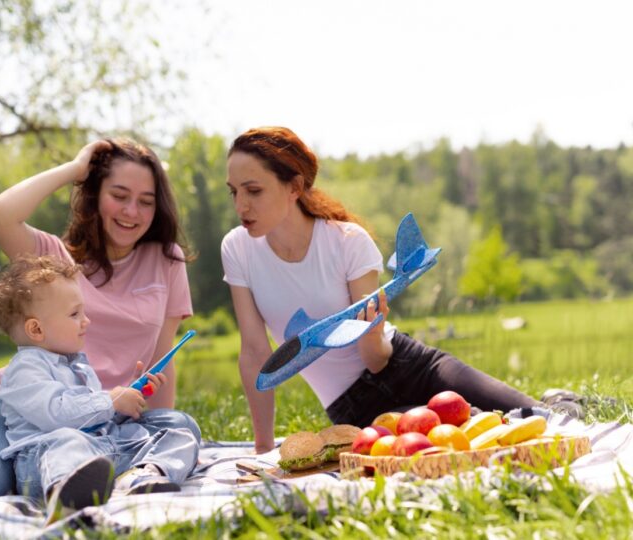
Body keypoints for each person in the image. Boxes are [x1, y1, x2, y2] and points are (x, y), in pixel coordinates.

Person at [221, 126, 542, 454]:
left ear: (295, 186)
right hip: (356, 407)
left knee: (535, 416)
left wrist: (371, 333)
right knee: (468, 438)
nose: (241, 206)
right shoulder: (238, 249)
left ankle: (565, 401)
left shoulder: (347, 241)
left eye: (254, 191)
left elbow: (376, 360)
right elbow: (255, 354)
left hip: (407, 363)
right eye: (234, 192)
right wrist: (262, 448)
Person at [0, 138, 200, 496]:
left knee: (180, 426)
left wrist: (148, 427)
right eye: (120, 195)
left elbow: (162, 357)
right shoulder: (54, 264)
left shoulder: (166, 260)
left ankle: (104, 476)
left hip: (105, 416)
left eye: (146, 201)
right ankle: (41, 470)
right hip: (27, 407)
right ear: (94, 195)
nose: (132, 212)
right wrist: (75, 169)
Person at [0, 255, 198, 520]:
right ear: (36, 329)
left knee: (178, 425)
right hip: (45, 462)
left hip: (102, 449)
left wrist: (130, 398)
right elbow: (57, 414)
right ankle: (65, 493)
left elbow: (94, 419)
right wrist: (110, 401)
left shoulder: (78, 364)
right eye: (74, 314)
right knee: (68, 439)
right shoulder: (25, 369)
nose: (86, 321)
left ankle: (144, 474)